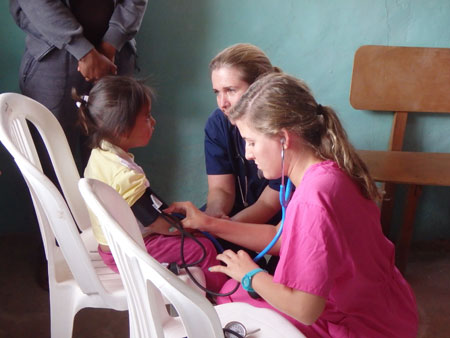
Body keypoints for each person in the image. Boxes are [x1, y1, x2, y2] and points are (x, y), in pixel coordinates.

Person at [166, 73, 418, 337]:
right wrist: (209, 223)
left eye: (251, 142)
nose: (248, 154)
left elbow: (304, 308)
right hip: (389, 310)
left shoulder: (314, 198)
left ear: (284, 139)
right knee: (237, 292)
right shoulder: (327, 173)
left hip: (362, 327)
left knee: (231, 301)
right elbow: (283, 238)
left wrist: (251, 275)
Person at [76, 76, 227, 292]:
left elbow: (148, 205)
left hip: (111, 246)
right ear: (121, 129)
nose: (153, 121)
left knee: (198, 234)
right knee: (203, 248)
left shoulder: (101, 154)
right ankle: (221, 299)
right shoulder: (124, 175)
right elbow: (156, 222)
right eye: (147, 117)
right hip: (126, 251)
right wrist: (188, 228)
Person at [204, 43, 282, 224]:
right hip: (234, 213)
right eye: (217, 92)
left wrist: (222, 229)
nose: (222, 103)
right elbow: (221, 190)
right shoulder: (218, 123)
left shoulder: (282, 126)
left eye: (230, 90)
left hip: (277, 218)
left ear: (259, 86)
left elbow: (268, 205)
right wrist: (214, 216)